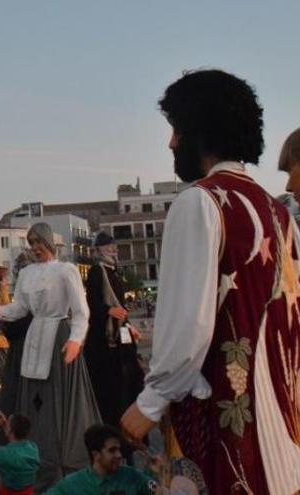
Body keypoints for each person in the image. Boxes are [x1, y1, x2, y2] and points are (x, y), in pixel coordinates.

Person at [120, 70, 300, 494]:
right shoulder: (280, 215)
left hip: (220, 423)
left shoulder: (200, 202)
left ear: (198, 131)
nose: (171, 143)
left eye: (176, 130)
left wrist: (149, 402)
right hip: (279, 426)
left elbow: (188, 324)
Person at [0, 223, 100, 491]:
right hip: (34, 338)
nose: (35, 247)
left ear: (49, 242)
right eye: (31, 242)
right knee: (33, 397)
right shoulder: (25, 273)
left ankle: (59, 456)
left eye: (39, 241)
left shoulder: (67, 270)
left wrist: (75, 340)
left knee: (55, 398)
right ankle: (33, 449)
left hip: (58, 337)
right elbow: (21, 307)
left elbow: (82, 312)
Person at [84, 232, 143, 428]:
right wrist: (108, 310)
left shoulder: (114, 272)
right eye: (108, 246)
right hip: (104, 342)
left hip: (119, 337)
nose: (113, 249)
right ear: (99, 249)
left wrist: (130, 327)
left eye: (113, 245)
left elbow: (121, 309)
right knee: (110, 391)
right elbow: (92, 303)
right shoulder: (96, 271)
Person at [47, 424, 157, 495]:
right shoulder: (74, 484)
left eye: (119, 449)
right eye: (112, 450)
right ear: (96, 455)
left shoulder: (131, 476)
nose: (119, 455)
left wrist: (158, 472)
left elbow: (156, 490)